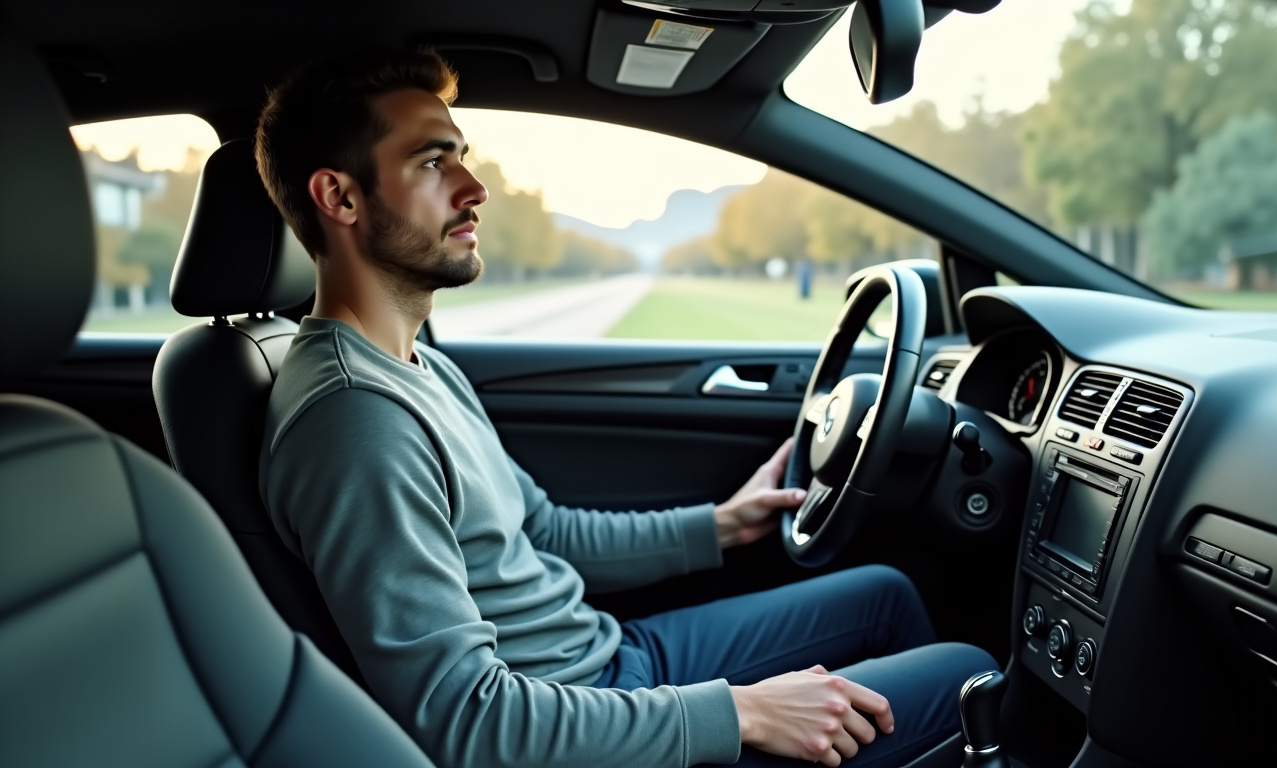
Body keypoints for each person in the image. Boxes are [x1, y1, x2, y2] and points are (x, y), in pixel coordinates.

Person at [256, 48, 996, 768]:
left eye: (461, 156)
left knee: (887, 597)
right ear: (341, 197)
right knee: (966, 674)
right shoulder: (356, 420)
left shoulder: (420, 367)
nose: (473, 186)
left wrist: (722, 526)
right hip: (582, 718)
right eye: (431, 161)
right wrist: (741, 712)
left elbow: (544, 531)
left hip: (609, 655)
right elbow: (467, 721)